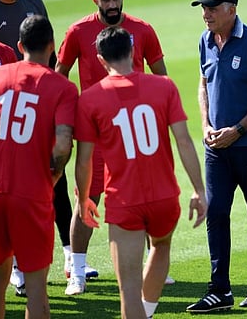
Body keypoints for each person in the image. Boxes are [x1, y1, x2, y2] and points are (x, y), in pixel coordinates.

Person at [74, 26, 207, 319]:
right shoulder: (165, 87)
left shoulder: (91, 99)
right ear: (133, 53)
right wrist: (199, 189)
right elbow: (183, 141)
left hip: (125, 200)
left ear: (99, 59)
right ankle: (146, 312)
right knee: (160, 247)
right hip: (164, 196)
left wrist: (84, 199)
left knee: (128, 290)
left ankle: (140, 312)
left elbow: (84, 161)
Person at [56, 0, 169, 295]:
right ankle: (77, 271)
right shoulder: (78, 32)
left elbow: (161, 78)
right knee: (87, 201)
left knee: (145, 197)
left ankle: (153, 263)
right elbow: (59, 76)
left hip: (135, 133)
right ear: (96, 0)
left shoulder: (142, 30)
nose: (112, 4)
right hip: (96, 135)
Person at [0, 0, 78, 297]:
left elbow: (49, 52)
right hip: (7, 106)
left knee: (59, 184)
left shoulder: (34, 3)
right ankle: (16, 267)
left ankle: (71, 257)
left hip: (39, 101)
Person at [186, 0, 247, 313]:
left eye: (212, 7)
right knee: (217, 213)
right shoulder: (205, 41)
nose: (206, 13)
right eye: (203, 8)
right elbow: (203, 84)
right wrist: (207, 125)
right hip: (216, 148)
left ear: (231, 10)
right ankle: (219, 290)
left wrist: (237, 130)